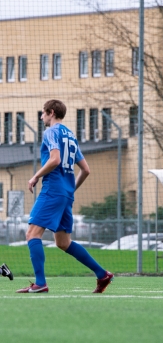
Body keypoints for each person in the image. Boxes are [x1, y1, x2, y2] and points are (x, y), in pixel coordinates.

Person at [18, 100, 113, 294]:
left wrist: (36, 176)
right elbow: (86, 170)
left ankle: (40, 283)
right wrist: (70, 190)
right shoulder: (70, 135)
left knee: (31, 234)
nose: (41, 117)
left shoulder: (51, 132)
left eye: (43, 113)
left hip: (52, 189)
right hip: (66, 193)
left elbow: (55, 159)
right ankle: (102, 274)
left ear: (51, 113)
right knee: (63, 242)